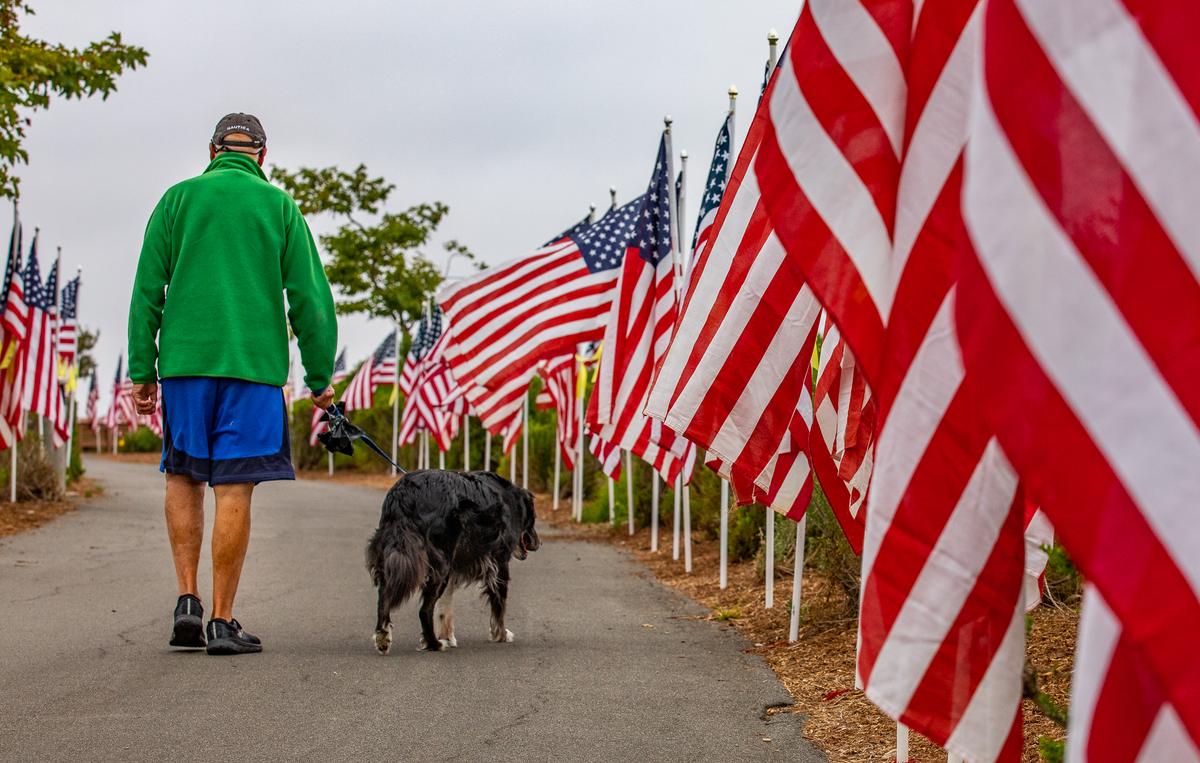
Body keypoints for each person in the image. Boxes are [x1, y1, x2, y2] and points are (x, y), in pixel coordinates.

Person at [127, 113, 337, 655]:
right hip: (252, 369)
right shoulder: (279, 207)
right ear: (262, 157)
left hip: (184, 366)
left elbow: (147, 288)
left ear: (214, 150)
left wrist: (141, 372)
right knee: (234, 488)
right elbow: (311, 300)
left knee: (182, 477)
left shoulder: (177, 200)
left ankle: (187, 601)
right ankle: (223, 621)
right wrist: (319, 379)